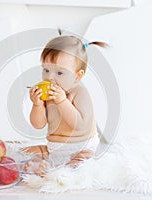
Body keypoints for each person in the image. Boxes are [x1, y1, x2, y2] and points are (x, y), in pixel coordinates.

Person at [22, 32, 106, 176]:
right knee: (25, 153)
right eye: (46, 70)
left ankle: (61, 170)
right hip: (54, 148)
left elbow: (80, 125)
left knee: (83, 162)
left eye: (59, 73)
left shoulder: (81, 94)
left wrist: (62, 101)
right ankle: (43, 165)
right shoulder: (49, 95)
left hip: (81, 147)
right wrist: (37, 105)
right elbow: (38, 124)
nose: (50, 77)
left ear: (77, 76)